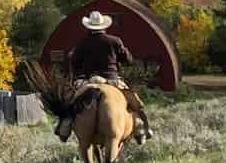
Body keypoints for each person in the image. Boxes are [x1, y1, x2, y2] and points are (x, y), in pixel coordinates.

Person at [54, 11, 153, 143]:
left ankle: (64, 128)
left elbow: (74, 62)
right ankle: (141, 129)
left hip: (89, 80)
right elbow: (128, 60)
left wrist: (80, 74)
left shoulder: (83, 43)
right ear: (104, 26)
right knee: (134, 102)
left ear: (89, 27)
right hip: (112, 80)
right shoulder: (114, 40)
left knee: (72, 102)